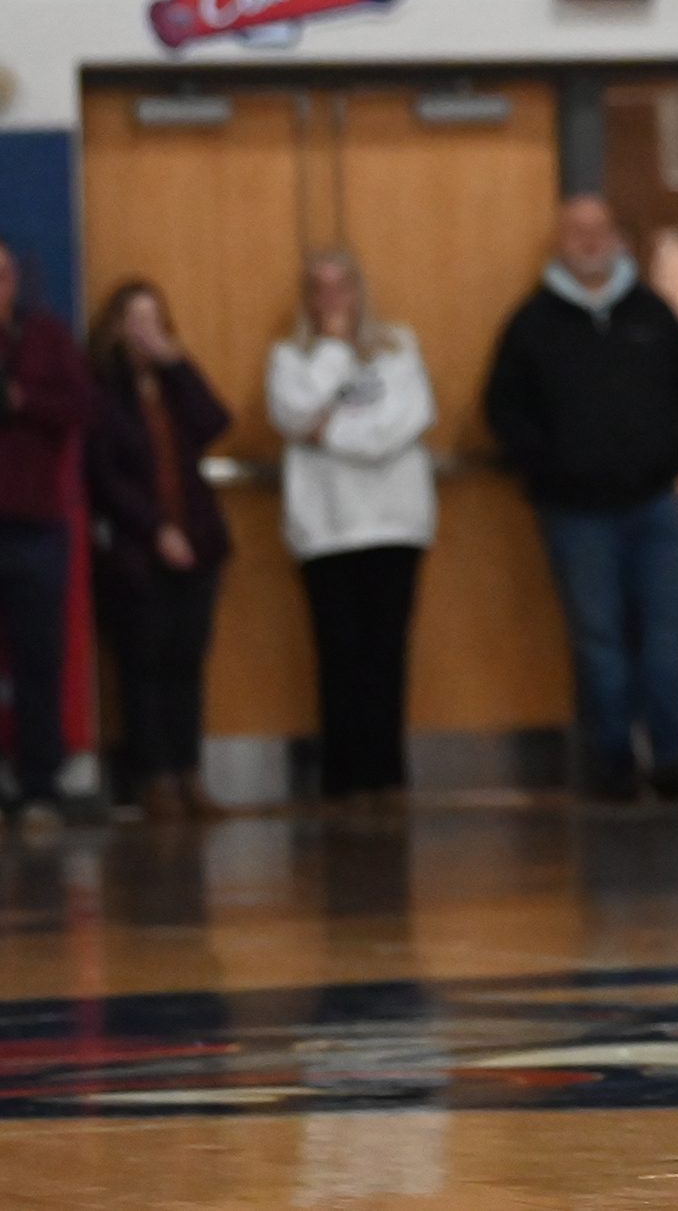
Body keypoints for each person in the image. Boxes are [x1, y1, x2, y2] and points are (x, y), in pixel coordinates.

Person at [483, 193, 678, 805]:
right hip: (576, 511)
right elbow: (504, 409)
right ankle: (613, 759)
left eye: (600, 229)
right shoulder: (533, 323)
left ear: (618, 237)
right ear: (560, 240)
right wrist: (548, 469)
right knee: (599, 637)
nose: (589, 241)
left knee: (667, 633)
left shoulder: (652, 314)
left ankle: (671, 756)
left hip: (654, 501)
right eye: (577, 231)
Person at [265, 249, 436, 807]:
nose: (333, 299)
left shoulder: (398, 348)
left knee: (387, 653)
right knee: (339, 655)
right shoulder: (290, 358)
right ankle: (344, 780)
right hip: (327, 529)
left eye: (343, 286)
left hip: (394, 524)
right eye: (320, 288)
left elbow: (402, 424)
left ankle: (388, 775)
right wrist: (334, 349)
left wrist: (328, 434)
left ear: (361, 291)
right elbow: (293, 413)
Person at [82, 281, 233, 822]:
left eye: (155, 319)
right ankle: (154, 777)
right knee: (144, 662)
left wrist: (176, 362)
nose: (146, 331)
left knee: (187, 661)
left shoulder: (173, 383)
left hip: (198, 541)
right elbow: (103, 473)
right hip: (137, 549)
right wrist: (153, 529)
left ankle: (191, 773)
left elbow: (215, 423)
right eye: (135, 320)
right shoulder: (101, 389)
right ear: (116, 327)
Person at [0, 238, 90, 832]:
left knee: (38, 658)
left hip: (34, 523)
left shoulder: (47, 337)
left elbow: (83, 406)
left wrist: (23, 399)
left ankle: (40, 788)